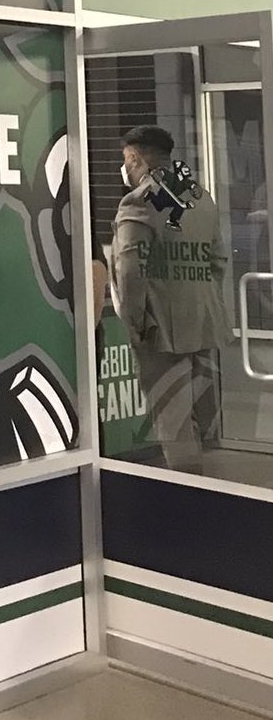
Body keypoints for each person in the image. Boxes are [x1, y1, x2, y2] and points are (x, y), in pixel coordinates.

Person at [112, 125, 230, 472]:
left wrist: (134, 323)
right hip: (204, 322)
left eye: (126, 160)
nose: (126, 168)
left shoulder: (137, 201)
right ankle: (210, 492)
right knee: (198, 417)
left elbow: (130, 270)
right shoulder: (200, 197)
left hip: (161, 329)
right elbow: (218, 260)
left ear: (135, 159)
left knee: (173, 421)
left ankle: (187, 498)